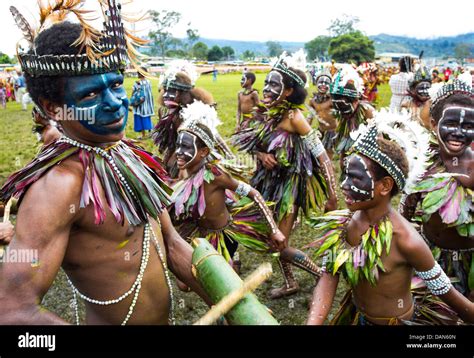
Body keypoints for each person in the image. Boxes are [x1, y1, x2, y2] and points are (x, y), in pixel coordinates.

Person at [0, 1, 211, 325]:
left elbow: (171, 244)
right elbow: (11, 310)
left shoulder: (127, 155)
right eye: (90, 95)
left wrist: (233, 301)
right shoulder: (59, 187)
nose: (115, 104)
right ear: (53, 107)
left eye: (115, 85)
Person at [306, 112, 474, 325]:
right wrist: (315, 320)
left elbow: (450, 296)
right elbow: (329, 274)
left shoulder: (407, 240)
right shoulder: (342, 225)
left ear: (385, 186)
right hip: (358, 317)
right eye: (345, 175)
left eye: (355, 177)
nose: (343, 185)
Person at [232, 51, 338, 298]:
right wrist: (262, 156)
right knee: (274, 238)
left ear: (289, 91)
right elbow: (257, 145)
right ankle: (291, 282)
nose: (267, 88)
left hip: (289, 188)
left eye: (274, 85)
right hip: (269, 184)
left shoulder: (294, 116)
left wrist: (332, 195)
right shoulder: (270, 113)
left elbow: (321, 155)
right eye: (266, 83)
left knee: (280, 242)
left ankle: (321, 276)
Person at [170, 100, 285, 264]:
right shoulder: (184, 173)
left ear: (204, 152)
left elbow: (254, 194)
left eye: (186, 147)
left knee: (227, 280)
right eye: (178, 145)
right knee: (185, 284)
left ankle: (234, 261)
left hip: (224, 236)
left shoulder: (215, 175)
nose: (179, 152)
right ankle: (234, 262)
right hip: (202, 237)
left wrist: (274, 230)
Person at [401, 79, 474, 301]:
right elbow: (406, 211)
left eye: (469, 126)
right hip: (429, 256)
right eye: (450, 123)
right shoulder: (423, 164)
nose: (458, 132)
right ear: (433, 124)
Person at [152, 60, 231, 180]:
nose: (166, 95)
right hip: (176, 153)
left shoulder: (194, 112)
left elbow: (212, 134)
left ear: (183, 93)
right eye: (165, 90)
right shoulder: (167, 112)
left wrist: (228, 153)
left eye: (172, 91)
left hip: (192, 157)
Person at [330, 64, 374, 160]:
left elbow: (378, 136)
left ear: (356, 100)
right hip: (347, 137)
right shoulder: (340, 108)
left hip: (365, 146)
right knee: (344, 161)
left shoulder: (367, 111)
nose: (344, 113)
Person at [308, 68, 337, 159]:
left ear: (330, 85)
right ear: (316, 83)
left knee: (328, 151)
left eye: (326, 83)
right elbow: (310, 117)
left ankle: (329, 168)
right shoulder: (313, 101)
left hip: (332, 131)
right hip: (320, 130)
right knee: (318, 152)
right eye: (321, 82)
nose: (323, 85)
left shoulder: (332, 99)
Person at [132, 68, 154, 139]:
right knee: (148, 118)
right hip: (148, 105)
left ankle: (143, 135)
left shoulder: (137, 83)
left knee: (140, 119)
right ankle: (150, 132)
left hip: (140, 105)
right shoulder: (148, 82)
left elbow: (133, 93)